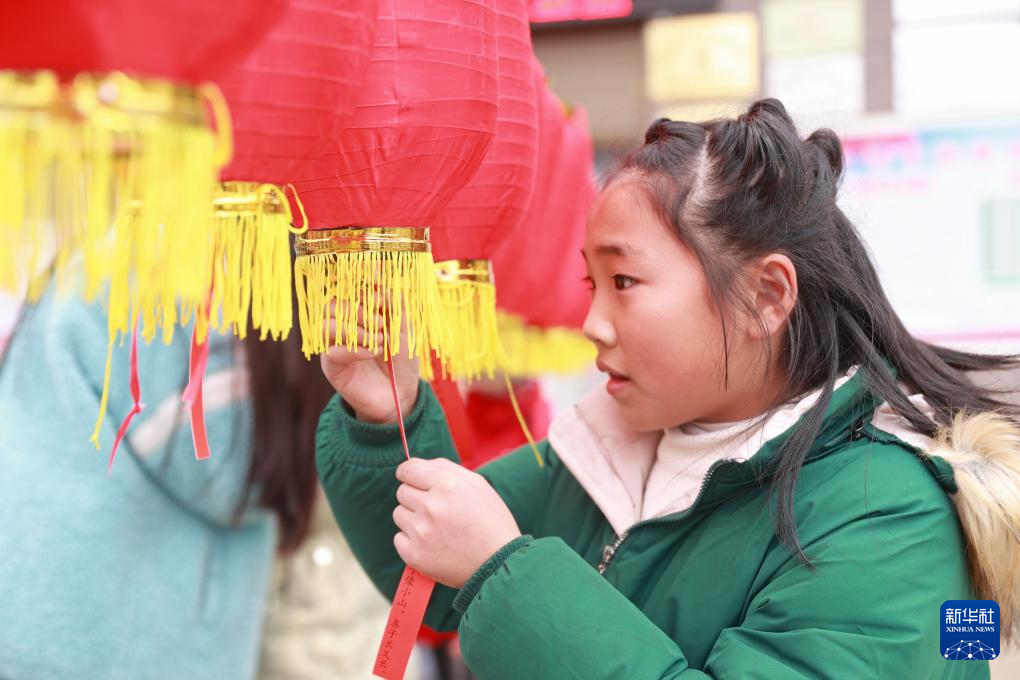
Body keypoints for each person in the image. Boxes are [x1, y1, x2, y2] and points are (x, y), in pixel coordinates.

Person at [314, 99, 1020, 678]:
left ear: (765, 297)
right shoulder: (614, 447)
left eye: (624, 281)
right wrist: (383, 416)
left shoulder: (889, 517)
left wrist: (506, 571)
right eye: (592, 283)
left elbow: (485, 566)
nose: (591, 323)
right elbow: (434, 573)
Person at [0, 276, 387, 679]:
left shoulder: (94, 269)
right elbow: (230, 462)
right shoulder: (169, 278)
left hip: (42, 615)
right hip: (116, 642)